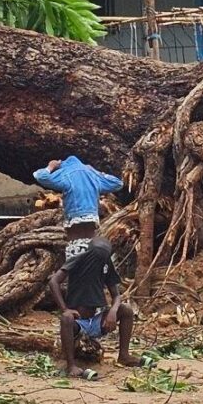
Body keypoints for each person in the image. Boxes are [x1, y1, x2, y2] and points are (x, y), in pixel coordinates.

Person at [49, 236, 148, 380]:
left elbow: (116, 295)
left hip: (97, 319)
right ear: (90, 252)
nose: (101, 259)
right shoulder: (77, 260)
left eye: (105, 256)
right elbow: (53, 282)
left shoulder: (106, 266)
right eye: (98, 255)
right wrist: (65, 309)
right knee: (66, 318)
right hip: (78, 322)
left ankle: (124, 356)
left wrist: (113, 312)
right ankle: (71, 365)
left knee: (126, 310)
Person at [33, 156, 123, 261]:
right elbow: (118, 183)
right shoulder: (91, 173)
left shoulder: (65, 173)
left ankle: (73, 271)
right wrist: (95, 171)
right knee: (90, 246)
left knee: (74, 248)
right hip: (92, 216)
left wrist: (50, 166)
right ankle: (90, 269)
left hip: (74, 216)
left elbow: (40, 176)